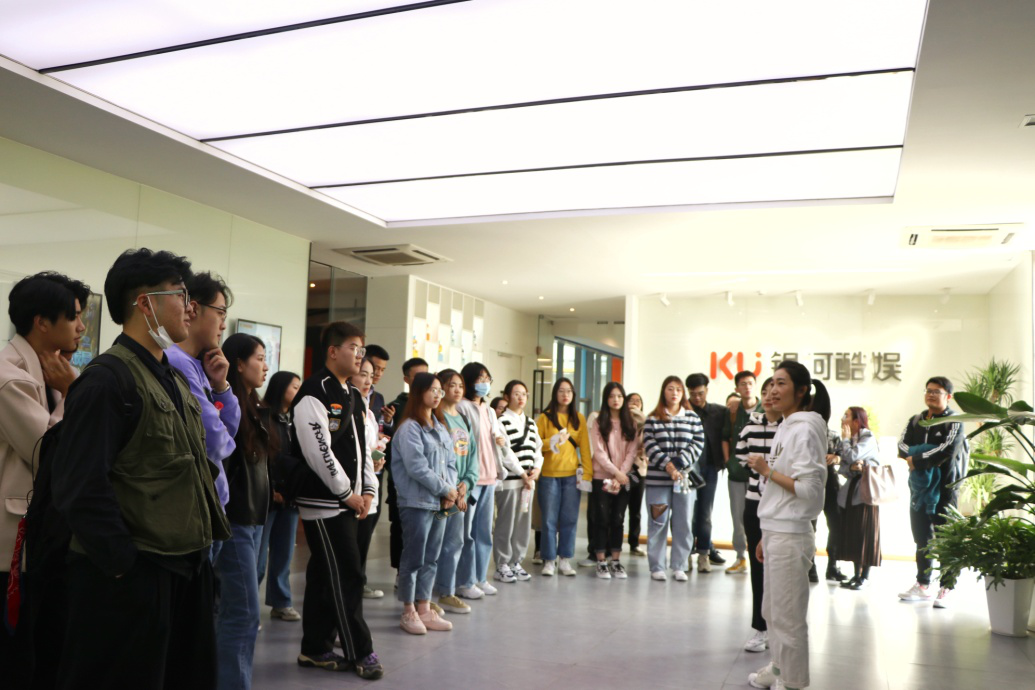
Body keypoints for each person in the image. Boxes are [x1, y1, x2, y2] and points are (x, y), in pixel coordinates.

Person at [52, 248, 231, 689]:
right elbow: (80, 485)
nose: (189, 307)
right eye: (179, 295)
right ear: (145, 304)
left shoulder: (171, 376)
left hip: (183, 569)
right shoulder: (107, 379)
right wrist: (123, 569)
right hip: (136, 577)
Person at [0, 272, 87, 689]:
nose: (82, 327)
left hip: (45, 537)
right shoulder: (9, 377)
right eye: (74, 317)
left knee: (45, 654)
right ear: (42, 323)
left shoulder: (52, 370)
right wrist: (73, 396)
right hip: (13, 550)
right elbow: (47, 453)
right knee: (18, 660)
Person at [291, 322, 382, 680]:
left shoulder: (352, 394)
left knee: (323, 576)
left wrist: (368, 490)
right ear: (332, 351)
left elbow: (362, 450)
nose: (360, 356)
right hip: (325, 504)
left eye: (362, 349)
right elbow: (319, 452)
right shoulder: (314, 392)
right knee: (347, 575)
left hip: (350, 501)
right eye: (353, 348)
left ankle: (315, 648)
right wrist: (347, 493)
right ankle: (360, 650)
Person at [745, 360, 829, 690]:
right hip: (776, 530)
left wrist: (767, 471)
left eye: (781, 383)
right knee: (773, 610)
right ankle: (779, 668)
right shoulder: (787, 425)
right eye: (771, 383)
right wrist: (766, 533)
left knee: (788, 617)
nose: (773, 390)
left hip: (791, 535)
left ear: (802, 390)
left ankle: (792, 682)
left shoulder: (805, 428)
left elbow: (809, 490)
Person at [216, 333, 276, 690]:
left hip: (254, 519)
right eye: (259, 358)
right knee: (244, 613)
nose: (265, 366)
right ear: (238, 364)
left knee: (237, 611)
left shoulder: (255, 405)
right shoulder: (228, 406)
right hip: (235, 519)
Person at [166, 272, 241, 534]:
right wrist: (224, 439)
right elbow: (215, 442)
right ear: (194, 309)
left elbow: (229, 432)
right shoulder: (177, 361)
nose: (223, 325)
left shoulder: (197, 365)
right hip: (196, 507)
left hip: (209, 503)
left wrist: (221, 387)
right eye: (220, 313)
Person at [391, 373, 458, 635]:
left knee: (432, 557)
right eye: (432, 390)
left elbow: (451, 463)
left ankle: (424, 608)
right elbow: (417, 467)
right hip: (417, 502)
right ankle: (408, 610)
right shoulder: (410, 428)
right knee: (414, 557)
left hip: (440, 503)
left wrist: (450, 491)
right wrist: (446, 489)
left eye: (440, 390)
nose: (438, 394)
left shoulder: (440, 426)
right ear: (418, 392)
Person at [896, 376, 966, 609]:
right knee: (922, 539)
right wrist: (923, 454)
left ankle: (947, 586)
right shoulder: (916, 421)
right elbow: (901, 447)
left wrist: (916, 458)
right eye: (928, 390)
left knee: (946, 539)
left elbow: (947, 450)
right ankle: (923, 584)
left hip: (945, 490)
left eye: (937, 391)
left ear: (948, 396)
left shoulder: (954, 421)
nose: (931, 395)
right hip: (919, 490)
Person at [456, 363, 521, 596]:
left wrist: (501, 441)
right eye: (480, 378)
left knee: (484, 532)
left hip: (490, 476)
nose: (484, 383)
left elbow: (498, 439)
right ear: (469, 381)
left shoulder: (490, 410)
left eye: (487, 379)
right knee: (466, 534)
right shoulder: (462, 407)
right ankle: (465, 582)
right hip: (471, 479)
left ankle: (480, 577)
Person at [643, 376, 705, 582]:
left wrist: (678, 464)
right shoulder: (652, 418)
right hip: (657, 481)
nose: (675, 393)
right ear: (664, 392)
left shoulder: (692, 418)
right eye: (670, 389)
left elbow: (698, 443)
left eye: (678, 389)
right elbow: (650, 445)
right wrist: (667, 466)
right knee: (657, 522)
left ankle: (679, 565)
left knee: (683, 523)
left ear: (683, 393)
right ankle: (657, 566)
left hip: (683, 481)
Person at [734, 377, 780, 654]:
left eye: (775, 391)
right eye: (766, 391)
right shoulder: (750, 426)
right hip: (754, 503)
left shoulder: (789, 427)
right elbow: (741, 457)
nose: (770, 396)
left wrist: (768, 470)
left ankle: (779, 628)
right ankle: (759, 627)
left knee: (781, 569)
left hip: (781, 505)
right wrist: (759, 473)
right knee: (758, 566)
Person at [433, 369, 479, 614]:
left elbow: (472, 457)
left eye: (460, 385)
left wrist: (466, 485)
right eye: (452, 385)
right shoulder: (436, 417)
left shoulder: (463, 418)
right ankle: (425, 596)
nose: (458, 389)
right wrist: (451, 489)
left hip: (459, 493)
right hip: (443, 493)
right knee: (434, 543)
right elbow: (437, 459)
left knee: (454, 541)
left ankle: (447, 592)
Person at [535, 378, 593, 577]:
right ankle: (549, 560)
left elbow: (585, 449)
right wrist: (552, 440)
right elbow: (536, 445)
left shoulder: (579, 418)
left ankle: (565, 559)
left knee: (569, 519)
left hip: (571, 476)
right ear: (555, 393)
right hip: (548, 475)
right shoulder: (544, 418)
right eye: (561, 391)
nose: (565, 395)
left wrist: (587, 474)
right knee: (548, 520)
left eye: (569, 391)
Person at [258, 371, 302, 622]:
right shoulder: (264, 417)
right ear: (280, 388)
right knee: (257, 557)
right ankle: (246, 606)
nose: (298, 391)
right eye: (294, 387)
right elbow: (264, 458)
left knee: (284, 554)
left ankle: (281, 602)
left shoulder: (295, 419)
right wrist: (272, 487)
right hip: (268, 496)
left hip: (291, 496)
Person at [383, 357, 429, 581]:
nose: (423, 380)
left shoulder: (432, 405)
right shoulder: (395, 406)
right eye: (417, 376)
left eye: (426, 375)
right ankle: (401, 572)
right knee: (400, 525)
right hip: (401, 479)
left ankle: (423, 571)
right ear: (406, 379)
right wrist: (389, 423)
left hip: (427, 479)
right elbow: (386, 440)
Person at [685, 373, 735, 574]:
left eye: (700, 393)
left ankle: (704, 555)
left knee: (705, 514)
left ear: (707, 390)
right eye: (693, 394)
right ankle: (686, 554)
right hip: (688, 470)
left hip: (710, 469)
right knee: (687, 514)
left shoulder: (719, 412)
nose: (697, 398)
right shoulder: (683, 411)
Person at [494, 380, 542, 582]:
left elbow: (538, 449)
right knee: (506, 522)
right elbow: (505, 453)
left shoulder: (531, 423)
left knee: (523, 522)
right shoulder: (501, 421)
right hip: (511, 481)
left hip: (528, 482)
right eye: (516, 393)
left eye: (524, 394)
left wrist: (537, 469)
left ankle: (516, 561)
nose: (521, 397)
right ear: (507, 396)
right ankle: (502, 564)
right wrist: (522, 474)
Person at [588, 382, 637, 579]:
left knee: (618, 519)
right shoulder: (599, 422)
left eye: (619, 396)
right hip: (602, 478)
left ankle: (615, 561)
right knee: (601, 519)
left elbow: (632, 451)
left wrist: (621, 474)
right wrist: (617, 473)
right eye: (611, 396)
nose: (615, 400)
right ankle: (601, 561)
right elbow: (599, 453)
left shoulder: (630, 422)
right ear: (605, 399)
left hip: (622, 479)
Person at [835, 407, 881, 591]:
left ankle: (865, 577)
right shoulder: (850, 440)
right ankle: (856, 575)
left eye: (846, 416)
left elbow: (852, 456)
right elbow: (843, 467)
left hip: (866, 494)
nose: (842, 419)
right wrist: (851, 467)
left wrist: (846, 442)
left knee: (864, 534)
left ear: (856, 421)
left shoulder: (867, 437)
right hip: (851, 492)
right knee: (853, 534)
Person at [352, 358, 387, 599]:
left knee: (362, 542)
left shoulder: (369, 412)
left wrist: (377, 458)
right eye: (363, 374)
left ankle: (358, 584)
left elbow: (370, 446)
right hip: (353, 489)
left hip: (369, 484)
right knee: (350, 546)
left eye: (371, 376)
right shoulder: (346, 406)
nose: (368, 380)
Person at [722, 371, 760, 574]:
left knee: (760, 516)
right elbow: (725, 437)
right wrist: (728, 461)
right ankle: (740, 557)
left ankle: (759, 557)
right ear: (737, 388)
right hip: (736, 473)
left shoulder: (765, 408)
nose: (747, 387)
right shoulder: (733, 411)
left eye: (750, 383)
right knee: (738, 517)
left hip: (759, 474)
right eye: (743, 384)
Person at [625, 392, 648, 557]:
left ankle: (634, 543)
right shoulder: (621, 423)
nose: (635, 403)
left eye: (638, 401)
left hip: (639, 470)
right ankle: (612, 544)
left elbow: (648, 446)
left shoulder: (645, 424)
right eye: (631, 400)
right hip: (623, 470)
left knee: (636, 509)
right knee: (618, 508)